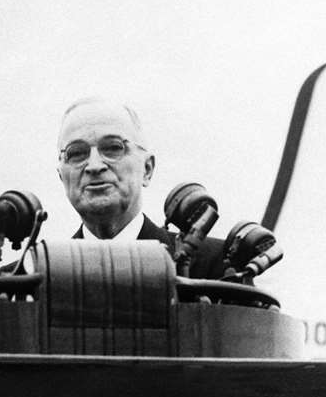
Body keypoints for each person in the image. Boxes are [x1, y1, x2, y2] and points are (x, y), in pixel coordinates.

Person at [54, 97, 226, 277]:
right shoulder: (35, 274)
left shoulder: (216, 266)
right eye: (77, 153)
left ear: (147, 169)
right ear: (61, 176)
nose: (94, 165)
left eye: (113, 148)